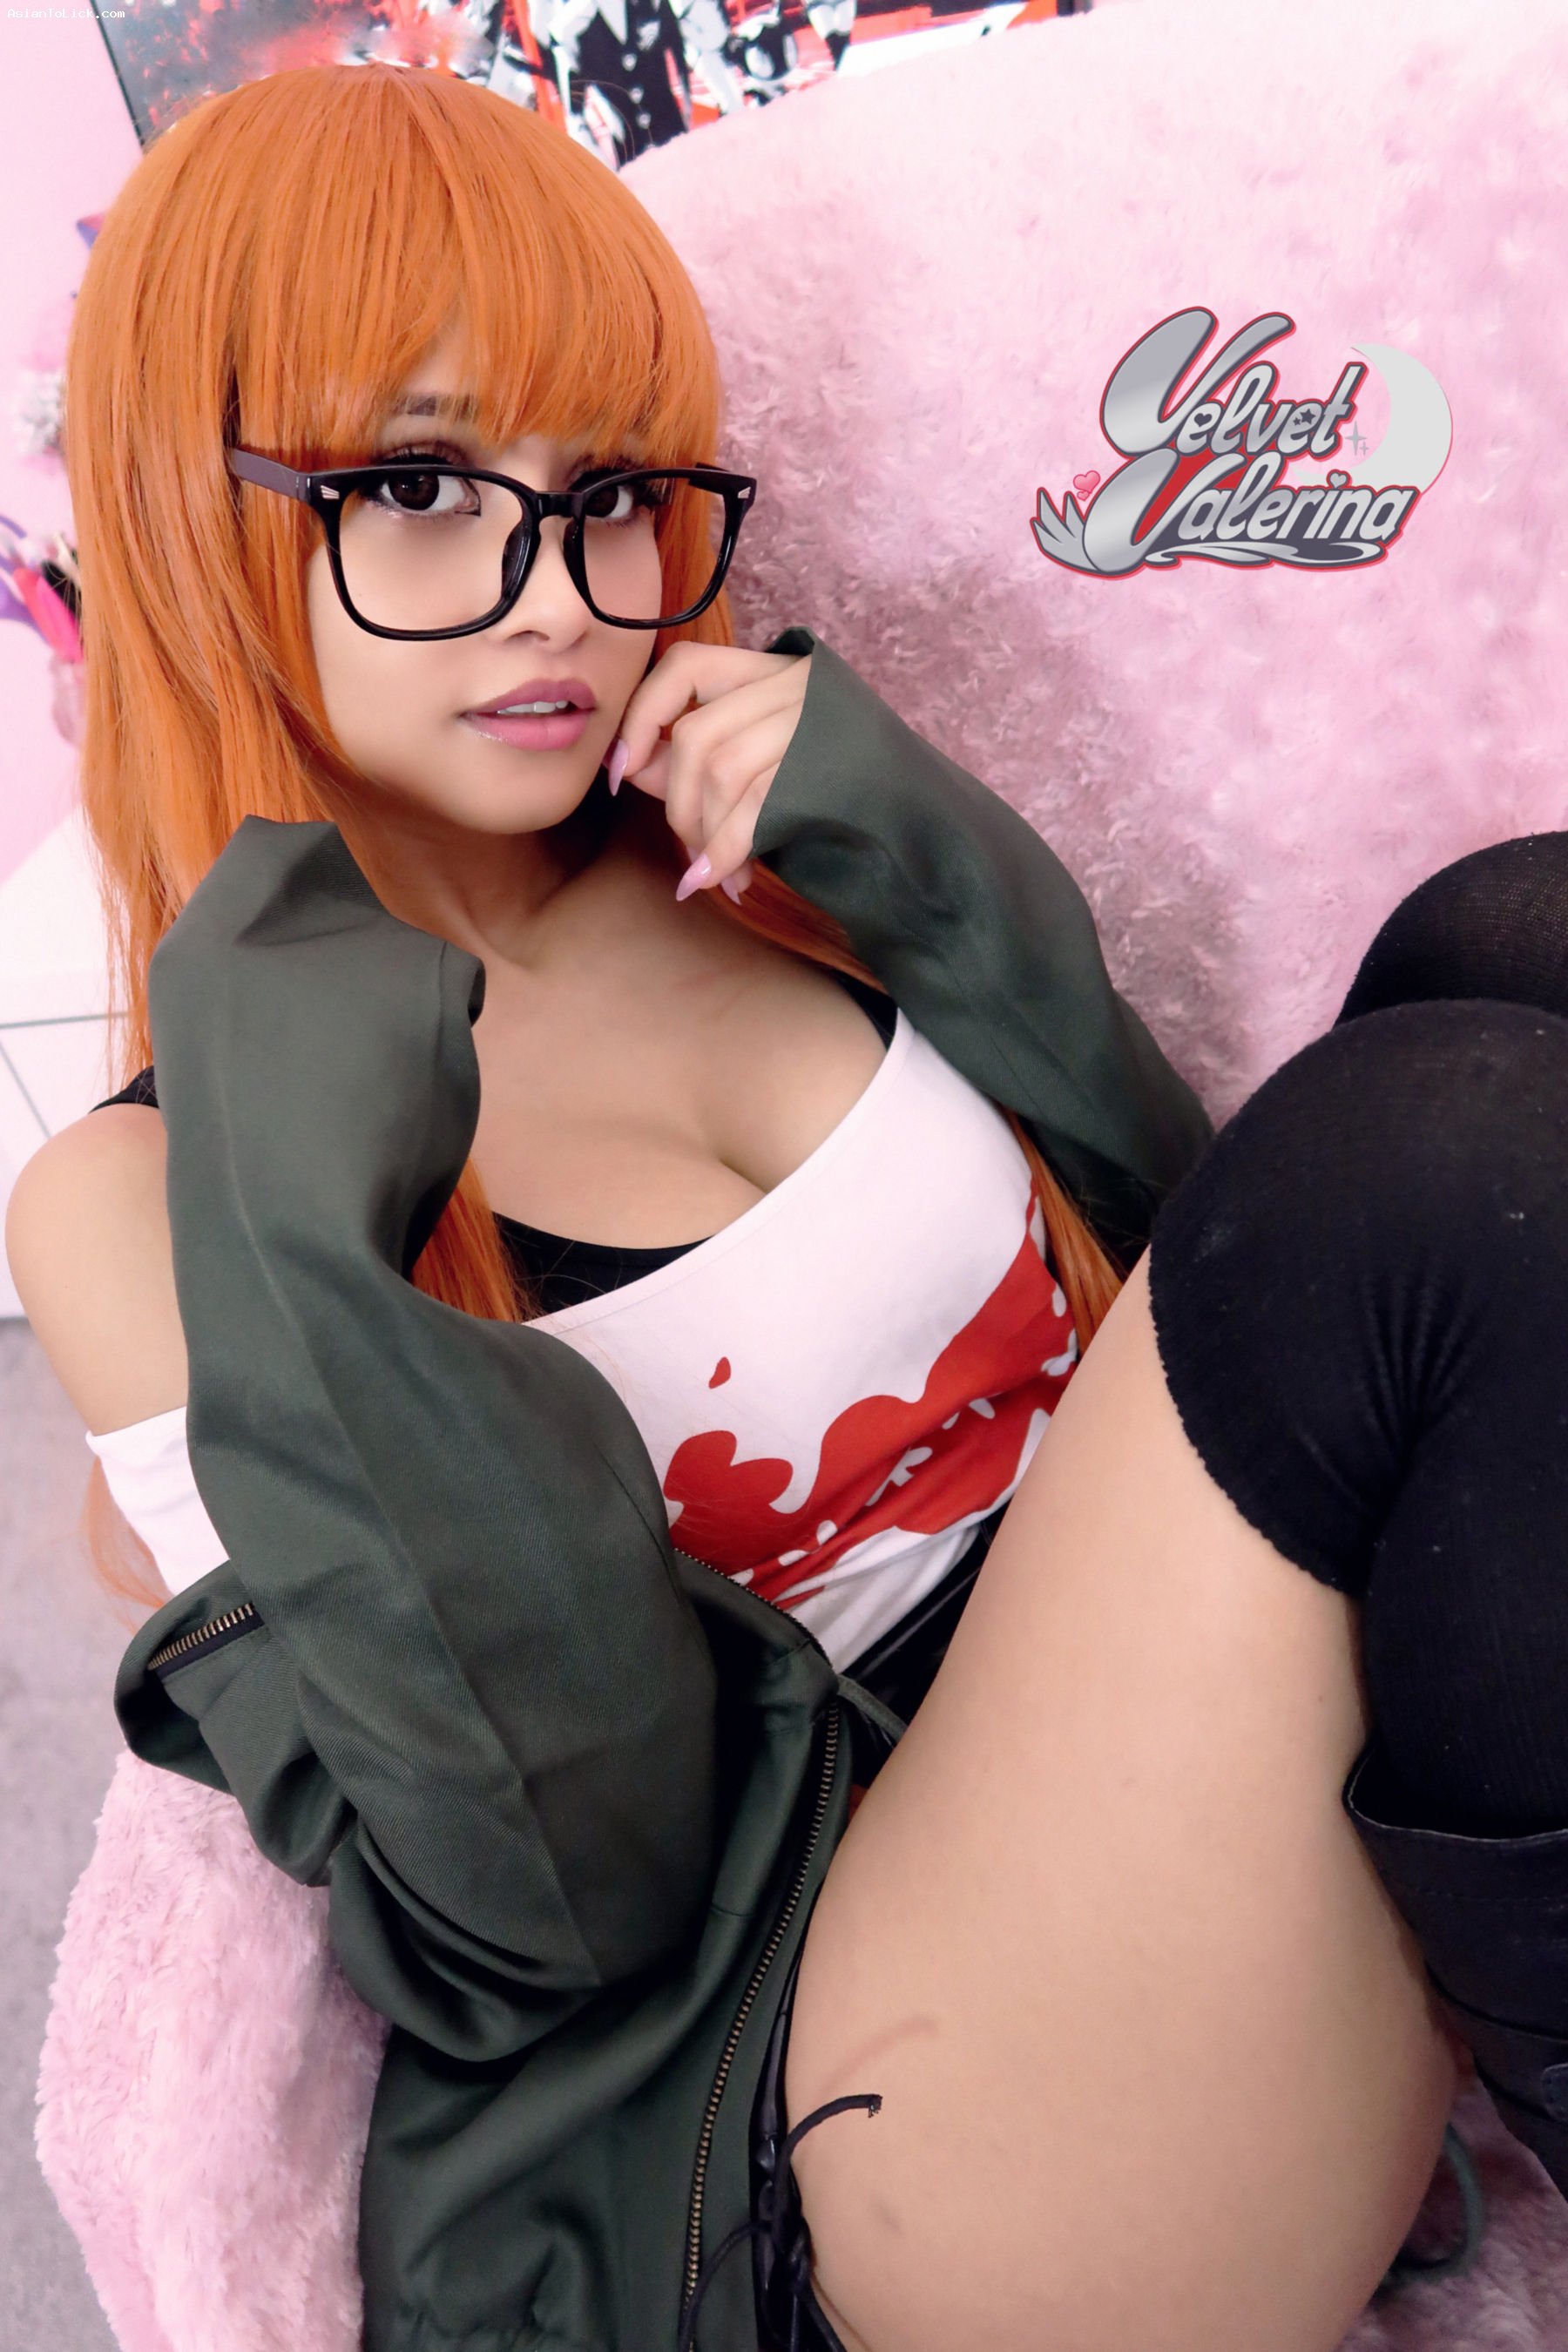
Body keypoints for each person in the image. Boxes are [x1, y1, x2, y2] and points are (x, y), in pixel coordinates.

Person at [10, 56, 1568, 2352]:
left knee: (1512, 943)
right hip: (819, 2099)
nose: (561, 596)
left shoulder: (738, 843)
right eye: (420, 485)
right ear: (191, 518)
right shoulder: (149, 1192)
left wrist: (936, 880)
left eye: (611, 489)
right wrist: (302, 1209)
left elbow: (1205, 1303)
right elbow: (561, 1888)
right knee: (1433, 1155)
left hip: (1154, 1805)